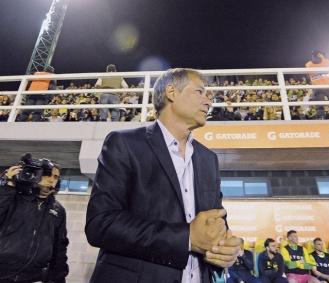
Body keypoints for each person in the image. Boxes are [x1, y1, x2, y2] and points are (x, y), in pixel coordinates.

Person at [85, 68, 241, 283]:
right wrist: (186, 238)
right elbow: (101, 224)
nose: (209, 100)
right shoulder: (124, 144)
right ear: (171, 92)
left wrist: (227, 246)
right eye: (200, 91)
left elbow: (215, 221)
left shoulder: (208, 158)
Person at [0, 154, 68, 282]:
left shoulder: (58, 210)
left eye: (55, 177)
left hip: (34, 277)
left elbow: (60, 248)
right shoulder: (12, 197)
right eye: (48, 174)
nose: (51, 180)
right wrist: (7, 186)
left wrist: (58, 278)